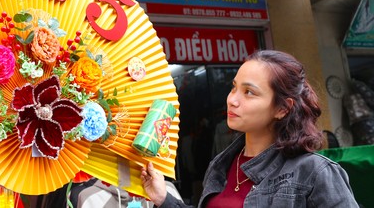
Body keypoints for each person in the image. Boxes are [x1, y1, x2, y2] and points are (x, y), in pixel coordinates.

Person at [141, 50, 359, 207]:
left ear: (282, 108)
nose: (232, 100)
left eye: (249, 92)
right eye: (234, 87)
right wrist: (164, 198)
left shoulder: (314, 173)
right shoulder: (221, 166)